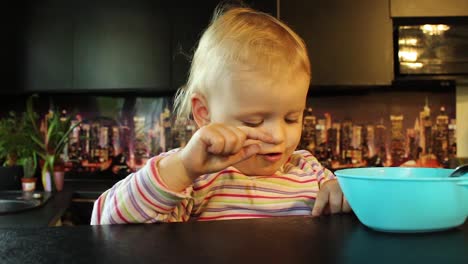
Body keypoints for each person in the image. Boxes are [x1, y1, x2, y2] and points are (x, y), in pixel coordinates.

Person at [91, 5, 351, 225]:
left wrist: (343, 194)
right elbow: (105, 221)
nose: (278, 135)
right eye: (254, 121)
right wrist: (183, 169)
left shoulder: (311, 171)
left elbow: (349, 214)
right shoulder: (193, 178)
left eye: (292, 118)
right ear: (205, 114)